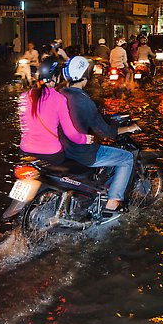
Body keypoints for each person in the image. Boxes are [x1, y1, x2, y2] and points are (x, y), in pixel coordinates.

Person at [60, 56, 139, 214]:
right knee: (126, 158)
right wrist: (128, 128)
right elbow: (106, 132)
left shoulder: (59, 94)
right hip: (81, 152)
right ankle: (113, 202)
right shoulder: (84, 101)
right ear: (86, 75)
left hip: (62, 149)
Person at [18, 56, 94, 166]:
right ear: (55, 77)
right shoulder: (59, 98)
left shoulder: (23, 97)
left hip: (25, 152)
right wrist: (84, 139)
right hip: (51, 155)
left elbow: (24, 127)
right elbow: (71, 133)